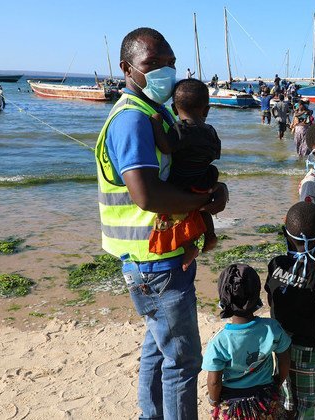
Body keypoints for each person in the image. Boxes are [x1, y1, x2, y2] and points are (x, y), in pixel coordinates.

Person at [94, 27, 228, 420]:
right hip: (153, 261)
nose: (164, 71)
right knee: (184, 362)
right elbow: (148, 196)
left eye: (169, 63)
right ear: (126, 68)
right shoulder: (133, 119)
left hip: (163, 255)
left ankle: (149, 415)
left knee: (159, 346)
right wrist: (205, 201)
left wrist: (209, 193)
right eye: (152, 64)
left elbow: (178, 173)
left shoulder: (155, 112)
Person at [265, 201, 315, 420]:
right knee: (308, 400)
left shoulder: (276, 264)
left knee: (286, 392)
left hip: (280, 345)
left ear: (284, 233)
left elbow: (271, 298)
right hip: (308, 349)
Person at [202, 264, 292, 420]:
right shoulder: (271, 328)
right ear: (257, 294)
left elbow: (214, 382)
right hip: (265, 398)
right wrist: (278, 380)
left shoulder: (219, 341)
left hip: (233, 405)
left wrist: (213, 400)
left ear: (223, 298)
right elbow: (284, 359)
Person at [148, 78, 220, 270]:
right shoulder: (211, 131)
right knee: (202, 206)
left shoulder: (180, 129)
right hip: (205, 178)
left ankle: (189, 246)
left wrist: (156, 124)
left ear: (173, 108)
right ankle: (210, 235)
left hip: (182, 180)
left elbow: (165, 147)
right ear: (206, 110)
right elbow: (216, 153)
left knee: (176, 213)